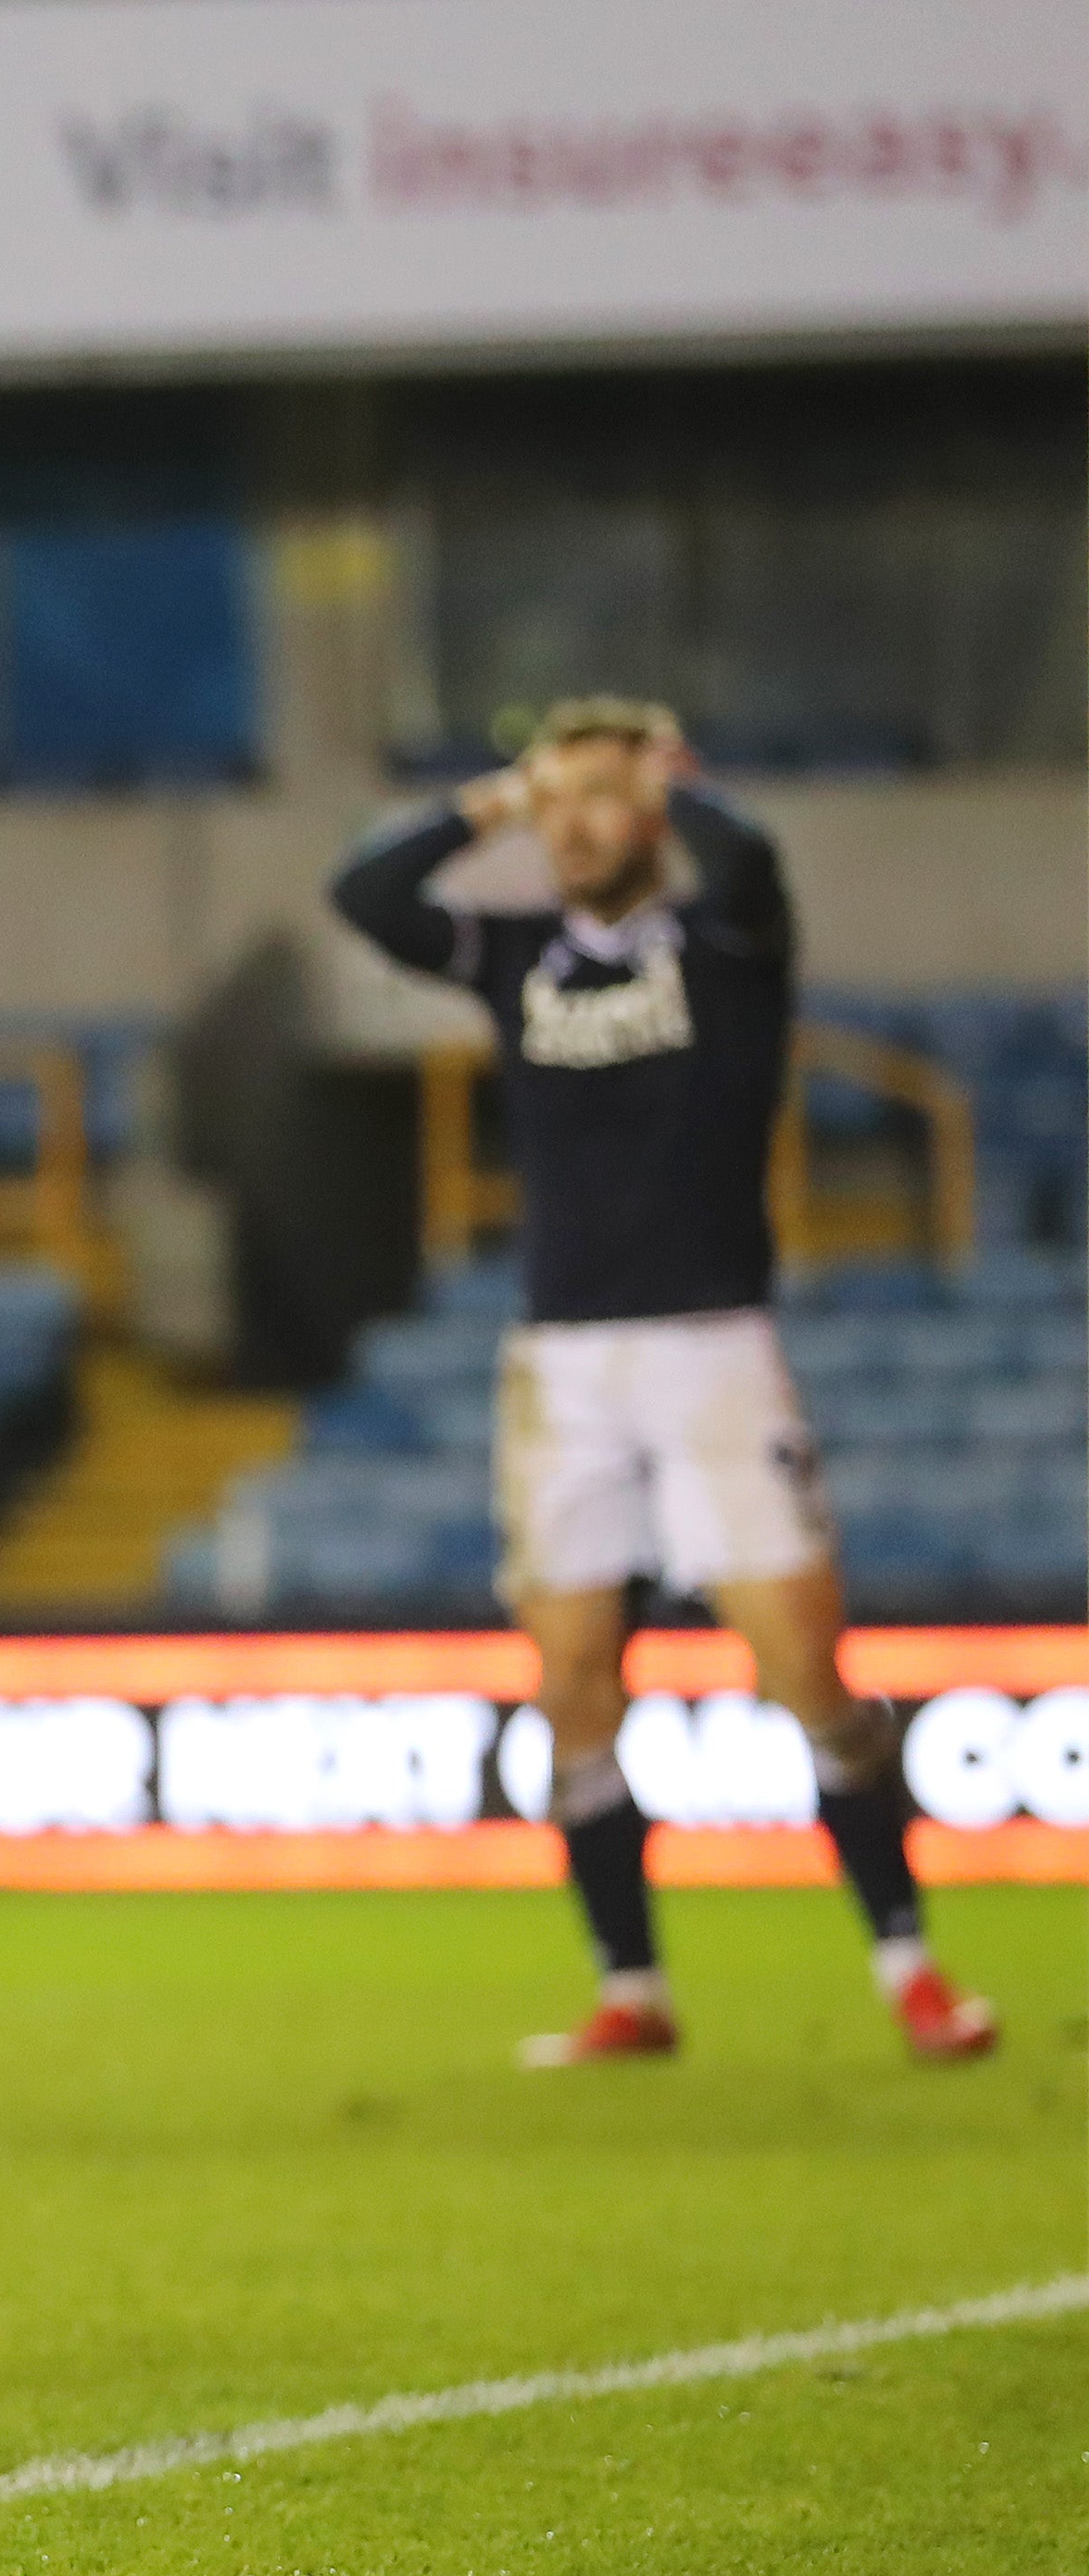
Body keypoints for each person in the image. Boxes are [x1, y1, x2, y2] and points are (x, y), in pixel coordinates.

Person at [330, 697, 993, 2069]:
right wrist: (493, 804)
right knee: (572, 1682)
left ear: (650, 809)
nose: (571, 824)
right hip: (562, 1366)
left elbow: (750, 867)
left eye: (599, 798)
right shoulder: (515, 955)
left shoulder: (725, 949)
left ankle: (908, 1966)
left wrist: (670, 783)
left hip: (712, 1355)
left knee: (804, 1668)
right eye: (553, 800)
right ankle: (630, 1988)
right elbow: (364, 894)